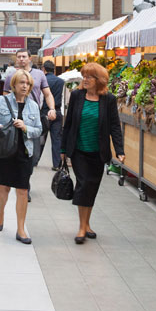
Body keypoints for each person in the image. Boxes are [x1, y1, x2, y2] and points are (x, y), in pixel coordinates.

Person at [60, 63, 125, 245]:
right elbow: (69, 123)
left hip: (98, 152)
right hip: (79, 150)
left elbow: (114, 126)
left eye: (89, 77)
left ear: (100, 80)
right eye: (84, 76)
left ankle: (87, 224)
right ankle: (81, 227)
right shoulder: (77, 96)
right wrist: (63, 150)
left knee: (92, 188)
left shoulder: (108, 99)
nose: (85, 80)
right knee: (84, 184)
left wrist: (119, 150)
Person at [0, 70, 42, 245]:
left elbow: (38, 130)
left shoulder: (33, 106)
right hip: (5, 152)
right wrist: (0, 128)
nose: (25, 86)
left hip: (24, 153)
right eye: (22, 82)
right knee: (4, 188)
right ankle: (0, 213)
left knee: (23, 190)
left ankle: (21, 228)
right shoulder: (1, 101)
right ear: (14, 84)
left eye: (28, 84)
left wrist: (25, 128)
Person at [3, 50, 57, 168]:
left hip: (34, 116)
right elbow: (5, 97)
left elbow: (48, 94)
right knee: (15, 149)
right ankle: (20, 181)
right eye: (19, 57)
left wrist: (52, 108)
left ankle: (25, 178)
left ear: (30, 58)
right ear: (16, 59)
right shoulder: (11, 76)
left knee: (34, 153)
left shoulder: (39, 74)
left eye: (24, 56)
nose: (21, 59)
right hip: (16, 116)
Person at [43, 60, 66, 169]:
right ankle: (57, 164)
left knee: (40, 138)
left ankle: (34, 161)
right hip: (57, 111)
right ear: (54, 69)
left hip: (44, 111)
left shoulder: (43, 80)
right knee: (56, 139)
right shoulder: (61, 81)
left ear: (44, 69)